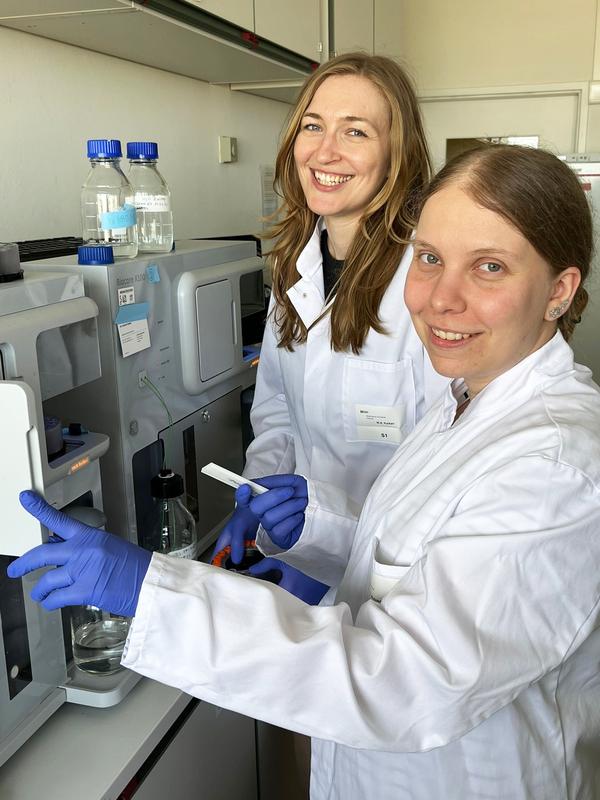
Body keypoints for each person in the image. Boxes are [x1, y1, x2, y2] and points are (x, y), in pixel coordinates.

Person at [9, 144, 600, 800]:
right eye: (429, 259)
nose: (440, 299)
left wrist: (152, 592)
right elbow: (425, 553)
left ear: (559, 291)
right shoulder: (473, 398)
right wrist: (318, 528)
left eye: (489, 267)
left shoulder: (555, 466)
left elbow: (406, 683)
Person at [212, 52, 444, 603]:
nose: (325, 150)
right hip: (307, 563)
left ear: (397, 155)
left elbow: (448, 473)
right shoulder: (293, 266)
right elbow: (277, 413)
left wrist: (323, 528)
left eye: (355, 131)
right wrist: (260, 499)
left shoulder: (429, 284)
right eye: (312, 126)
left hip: (406, 583)